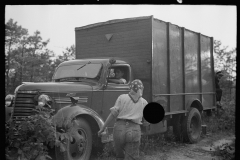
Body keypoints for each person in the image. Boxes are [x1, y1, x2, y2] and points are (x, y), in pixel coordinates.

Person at [98, 79, 149, 160]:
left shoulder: (122, 98)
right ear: (141, 89)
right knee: (131, 157)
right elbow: (146, 122)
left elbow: (112, 115)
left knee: (119, 156)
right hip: (134, 130)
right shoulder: (144, 102)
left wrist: (102, 128)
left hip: (119, 129)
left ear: (130, 88)